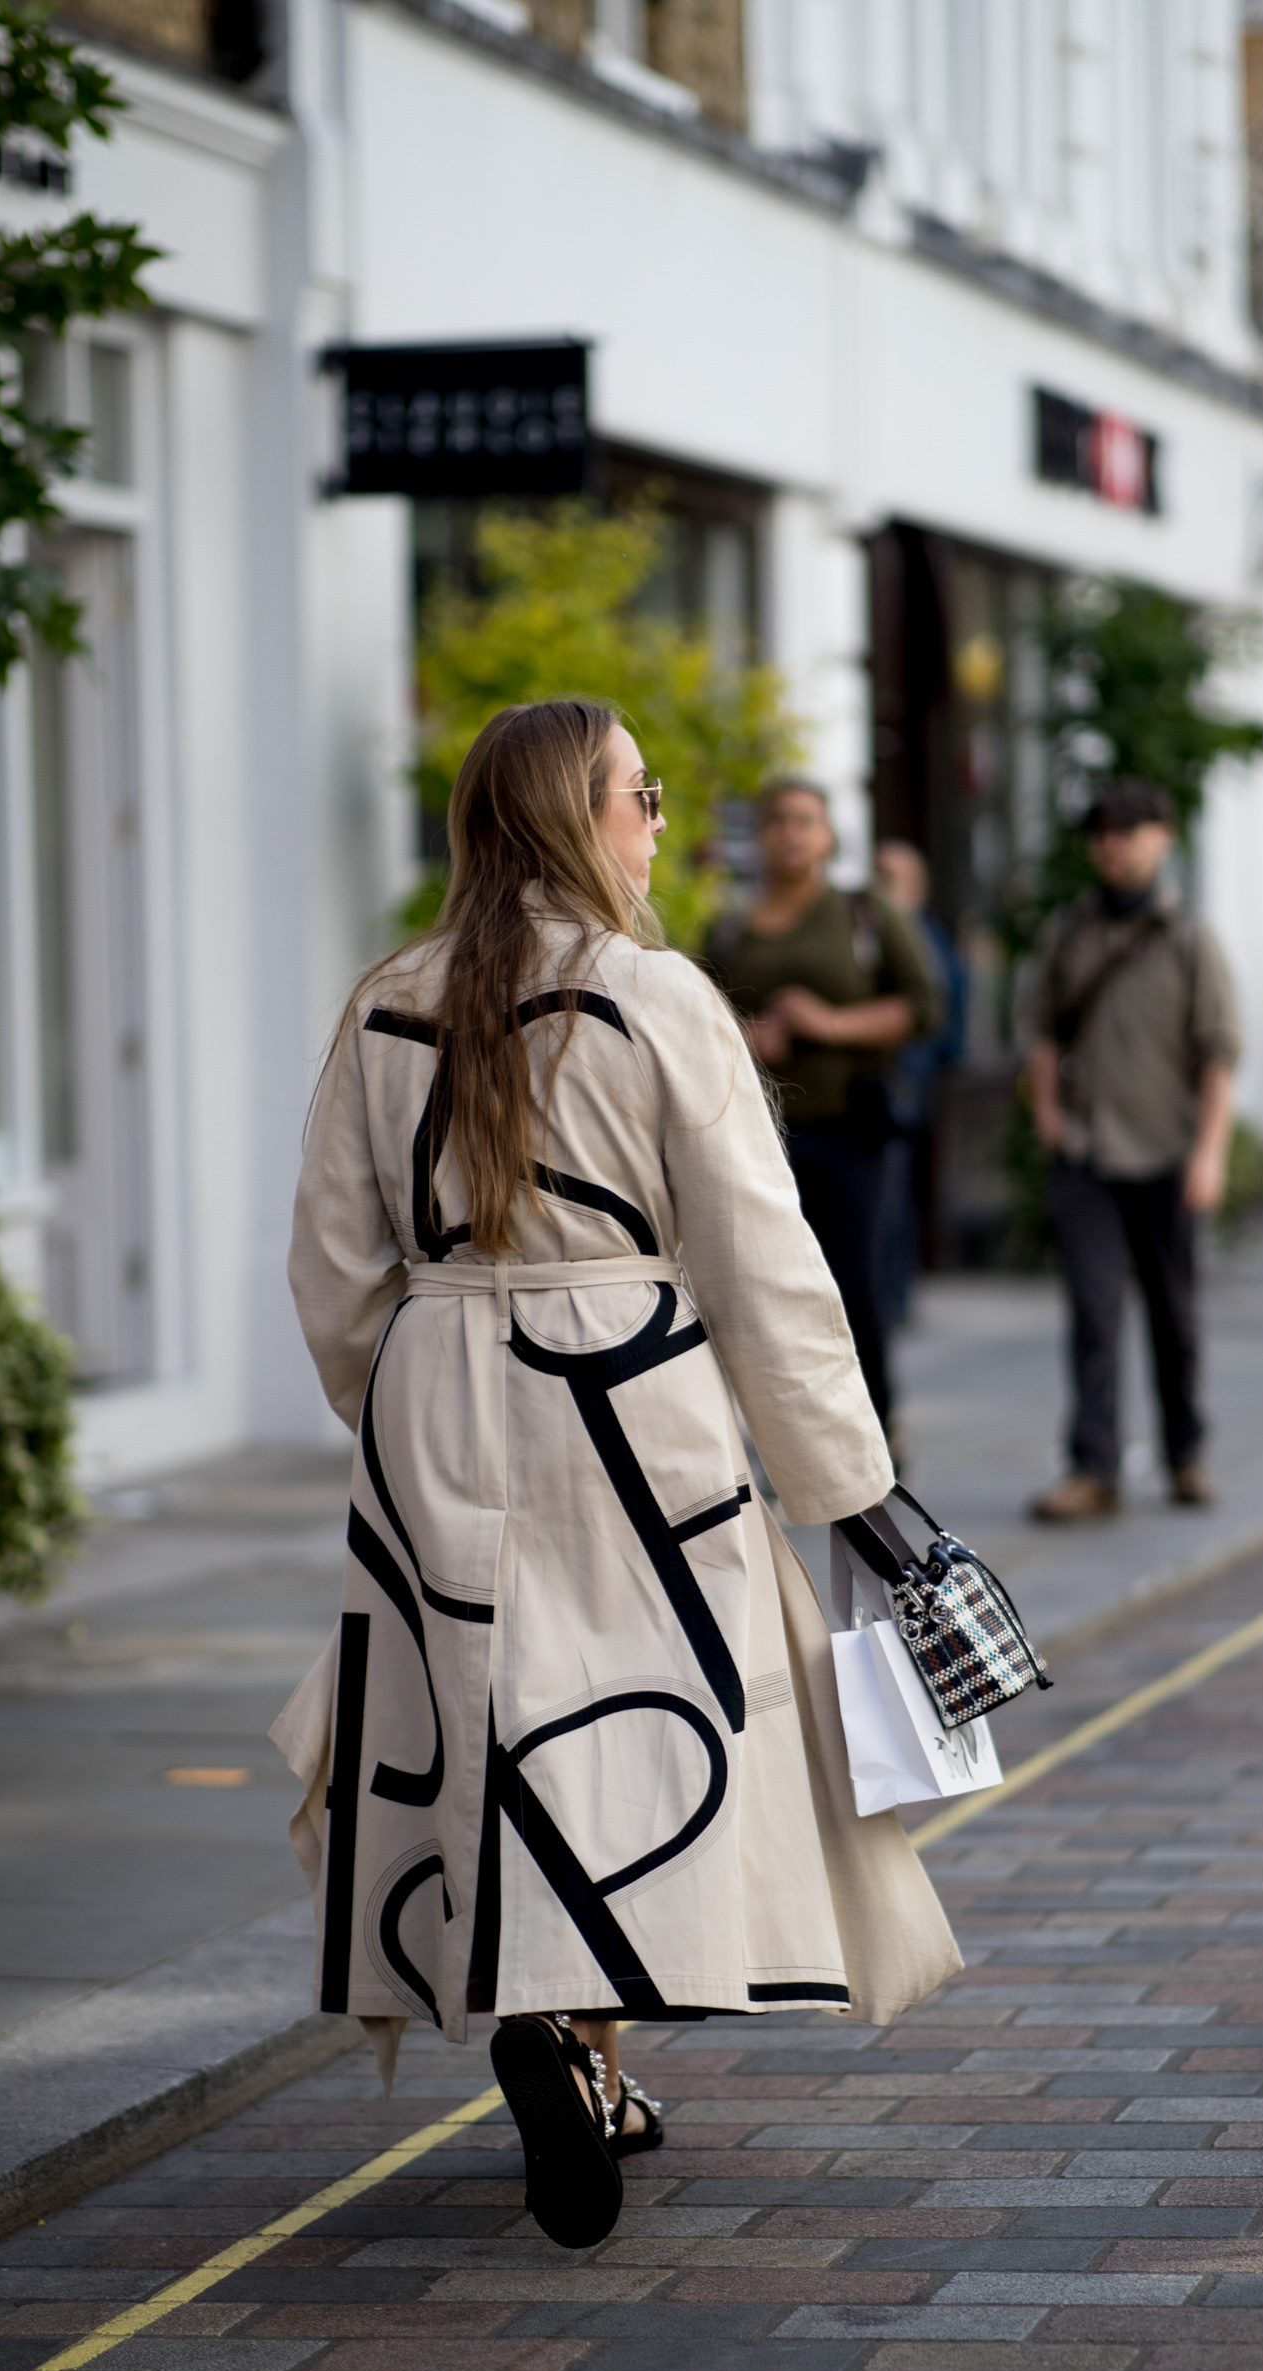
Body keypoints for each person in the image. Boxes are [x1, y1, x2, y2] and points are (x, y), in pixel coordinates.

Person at [275, 699, 958, 2252]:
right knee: (639, 1737)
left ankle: (574, 2051)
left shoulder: (384, 1001)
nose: (660, 823)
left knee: (498, 1721)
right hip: (633, 1393)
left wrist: (401, 1399)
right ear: (575, 819)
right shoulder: (655, 995)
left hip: (440, 1380)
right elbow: (762, 1257)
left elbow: (330, 1270)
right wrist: (844, 1475)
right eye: (642, 795)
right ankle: (576, 2042)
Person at [1025, 778, 1239, 1522]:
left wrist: (1211, 1153)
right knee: (1091, 1312)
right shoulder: (1070, 931)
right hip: (1088, 1153)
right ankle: (1093, 1468)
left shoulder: (1189, 939)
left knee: (1173, 1315)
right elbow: (1044, 1030)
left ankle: (1186, 1454)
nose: (1110, 844)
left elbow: (1219, 1053)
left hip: (1168, 1153)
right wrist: (1049, 1114)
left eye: (1126, 830)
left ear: (1162, 838)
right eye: (1100, 832)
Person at [700, 782, 937, 1438]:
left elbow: (923, 1006)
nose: (790, 833)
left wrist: (831, 1025)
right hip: (757, 1137)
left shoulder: (864, 912)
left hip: (850, 1129)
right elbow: (692, 1019)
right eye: (776, 820)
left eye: (805, 820)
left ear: (829, 835)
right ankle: (788, 1436)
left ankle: (873, 1428)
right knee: (764, 1291)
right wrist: (746, 1038)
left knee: (852, 1284)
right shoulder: (729, 926)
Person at [873, 840, 967, 1332]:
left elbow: (946, 1015)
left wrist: (928, 1066)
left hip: (907, 1081)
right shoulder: (871, 932)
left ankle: (894, 1296)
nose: (882, 886)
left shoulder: (925, 939)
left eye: (893, 877)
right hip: (880, 1083)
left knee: (893, 1192)